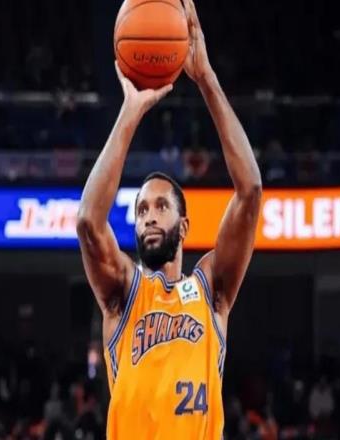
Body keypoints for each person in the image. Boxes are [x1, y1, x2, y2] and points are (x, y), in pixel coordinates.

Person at [76, 0, 262, 438]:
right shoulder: (123, 293)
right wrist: (130, 112)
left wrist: (207, 79)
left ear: (184, 226)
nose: (149, 216)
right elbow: (88, 222)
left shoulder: (212, 291)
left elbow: (250, 191)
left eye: (161, 207)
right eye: (142, 210)